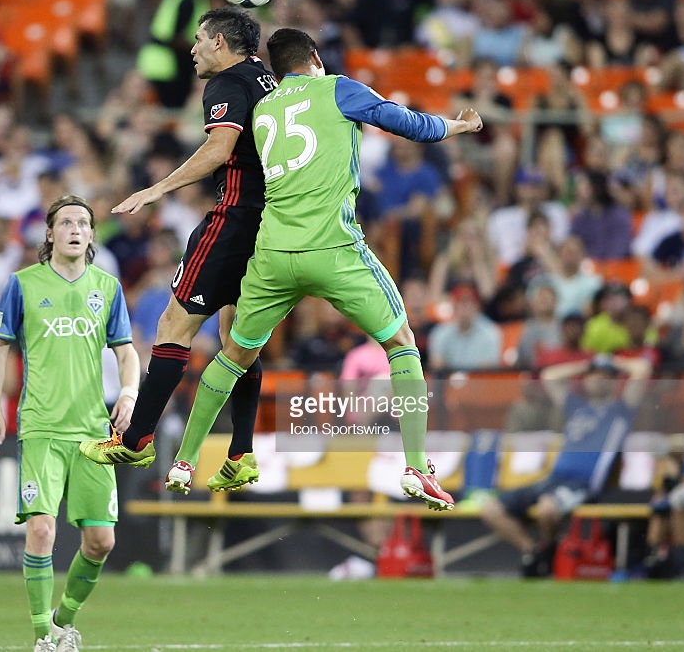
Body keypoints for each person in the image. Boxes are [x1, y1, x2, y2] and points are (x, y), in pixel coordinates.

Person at [137, 27, 484, 507]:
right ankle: (415, 465)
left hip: (273, 256)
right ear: (315, 58)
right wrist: (460, 126)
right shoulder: (338, 88)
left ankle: (186, 460)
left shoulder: (261, 109)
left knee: (233, 356)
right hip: (334, 248)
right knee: (402, 346)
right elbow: (409, 124)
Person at [80, 8, 278, 495]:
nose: (190, 49)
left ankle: (136, 437)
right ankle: (241, 452)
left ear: (219, 44)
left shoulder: (228, 83)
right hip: (273, 227)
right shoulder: (273, 83)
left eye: (198, 39)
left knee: (174, 325)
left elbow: (219, 149)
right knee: (239, 338)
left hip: (232, 221)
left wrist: (156, 189)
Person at [0, 196, 140, 652]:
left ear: (91, 236)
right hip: (41, 427)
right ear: (49, 234)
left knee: (101, 542)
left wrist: (129, 393)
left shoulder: (107, 288)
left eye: (84, 223)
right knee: (41, 529)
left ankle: (63, 618)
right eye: (65, 222)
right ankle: (41, 636)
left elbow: (127, 352)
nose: (75, 228)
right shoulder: (22, 284)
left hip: (93, 432)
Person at [480, 354, 652, 577]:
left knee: (547, 508)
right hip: (552, 480)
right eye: (593, 375)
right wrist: (585, 365)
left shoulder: (621, 410)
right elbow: (549, 376)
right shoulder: (577, 407)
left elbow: (642, 369)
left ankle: (551, 550)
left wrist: (611, 362)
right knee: (490, 508)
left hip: (582, 485)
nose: (597, 380)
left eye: (604, 376)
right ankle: (534, 551)